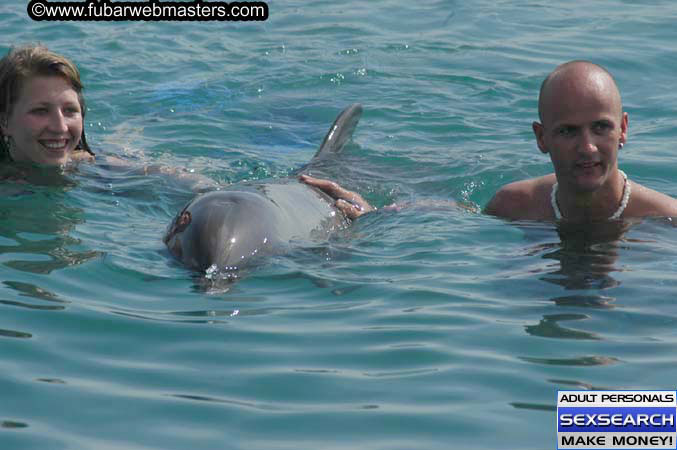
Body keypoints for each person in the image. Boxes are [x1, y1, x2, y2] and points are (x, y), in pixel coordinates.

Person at [302, 61, 677, 222]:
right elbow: (458, 217)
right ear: (541, 137)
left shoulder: (664, 220)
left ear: (624, 130)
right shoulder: (515, 205)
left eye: (601, 127)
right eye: (567, 131)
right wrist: (374, 216)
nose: (588, 147)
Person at [0, 44, 94, 167]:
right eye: (40, 111)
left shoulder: (105, 170)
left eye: (70, 110)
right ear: (4, 121)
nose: (60, 128)